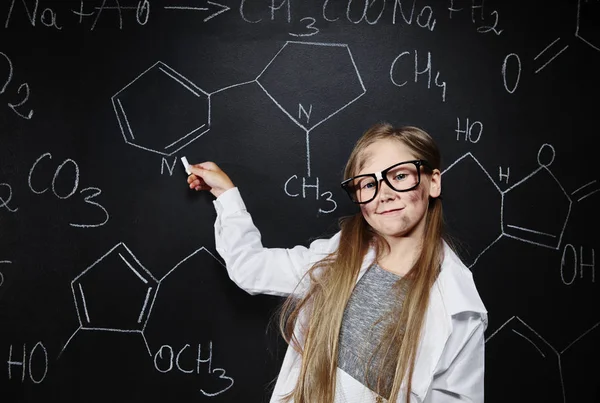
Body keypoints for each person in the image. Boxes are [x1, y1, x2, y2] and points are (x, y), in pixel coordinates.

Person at [186, 123, 487, 403]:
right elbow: (252, 269)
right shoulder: (338, 257)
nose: (384, 194)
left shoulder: (459, 305)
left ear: (433, 182)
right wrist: (226, 195)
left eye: (399, 176)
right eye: (368, 184)